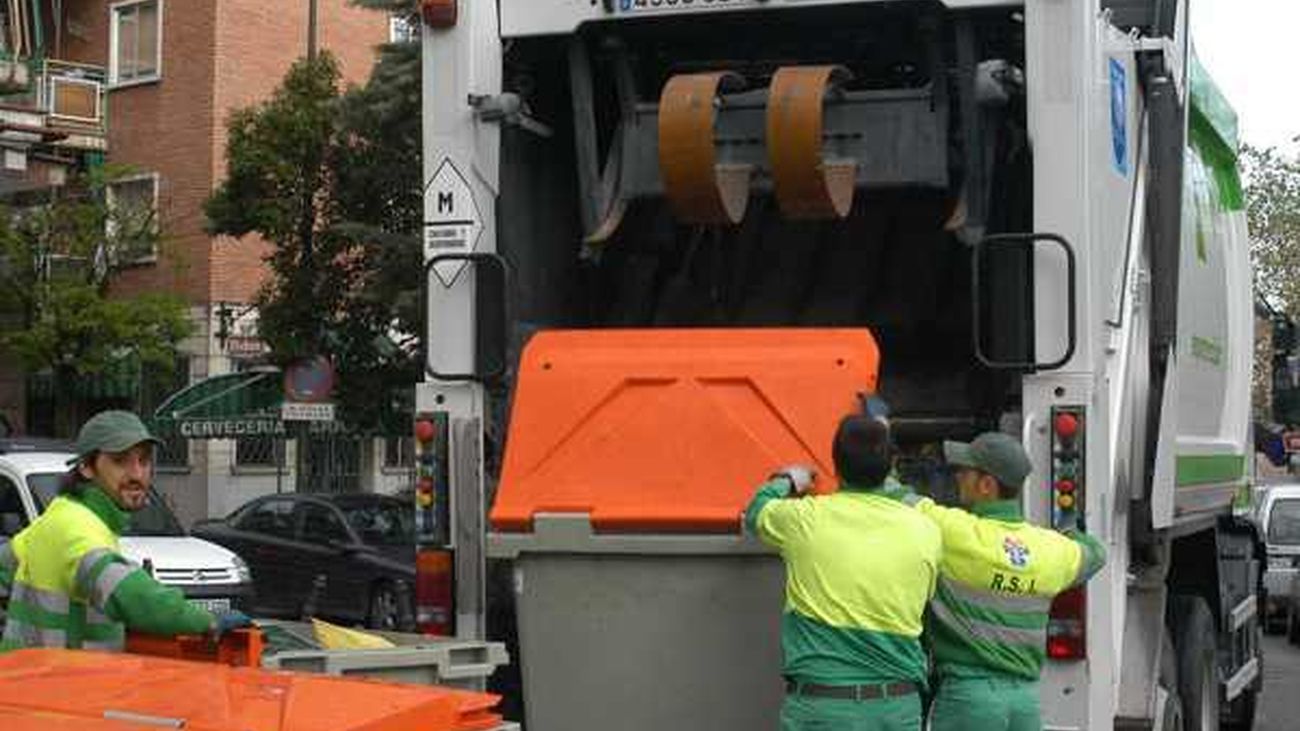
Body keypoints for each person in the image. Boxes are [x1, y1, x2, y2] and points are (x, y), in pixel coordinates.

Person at [745, 412, 942, 731]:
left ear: (834, 466)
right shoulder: (925, 530)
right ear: (891, 466)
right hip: (896, 711)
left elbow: (755, 511)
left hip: (822, 710)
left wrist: (789, 479)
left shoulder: (805, 520)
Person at [0, 410, 252, 651]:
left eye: (143, 460)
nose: (137, 474)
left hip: (29, 684)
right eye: (120, 461)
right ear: (86, 467)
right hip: (58, 688)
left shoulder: (60, 516)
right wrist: (206, 621)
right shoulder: (77, 528)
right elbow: (128, 593)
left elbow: (5, 565)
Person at [911, 432, 1107, 731]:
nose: (958, 477)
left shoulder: (956, 533)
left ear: (987, 485)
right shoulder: (1048, 550)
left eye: (965, 471)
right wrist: (1066, 533)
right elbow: (1096, 552)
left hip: (969, 702)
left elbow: (897, 499)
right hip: (1024, 706)